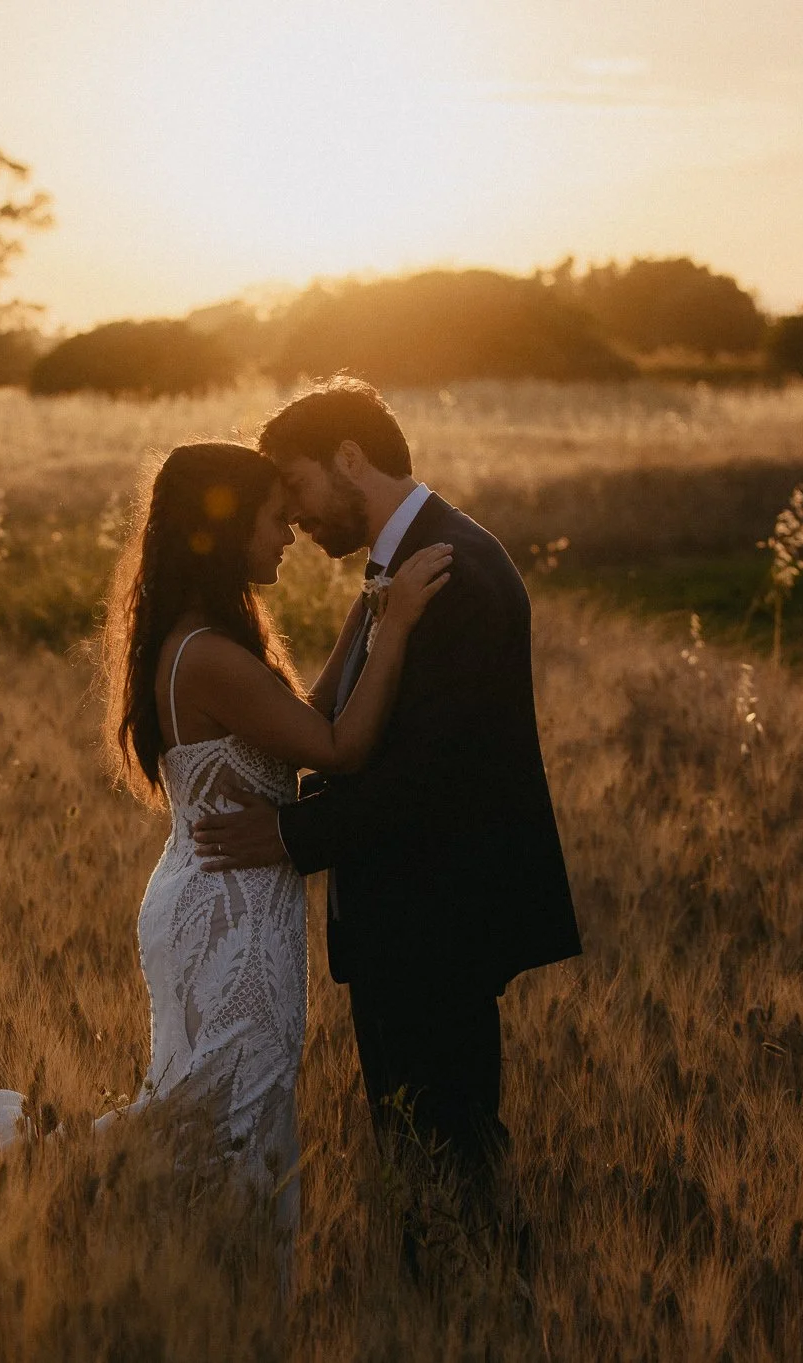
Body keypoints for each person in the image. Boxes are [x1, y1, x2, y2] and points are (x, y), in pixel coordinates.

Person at [0, 440, 450, 1236]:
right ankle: (49, 1192)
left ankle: (124, 1240)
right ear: (226, 530)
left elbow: (306, 721)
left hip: (213, 891)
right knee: (224, 1119)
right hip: (232, 908)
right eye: (274, 518)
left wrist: (360, 623)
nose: (289, 534)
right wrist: (395, 630)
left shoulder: (200, 641)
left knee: (217, 1111)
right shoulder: (209, 655)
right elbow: (339, 749)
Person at [192, 379, 581, 1228]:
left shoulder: (458, 571)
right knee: (418, 1159)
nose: (292, 516)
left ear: (349, 458)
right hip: (404, 920)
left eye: (295, 486)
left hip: (440, 920)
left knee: (453, 1159)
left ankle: (478, 1316)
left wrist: (289, 834)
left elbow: (430, 776)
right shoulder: (404, 568)